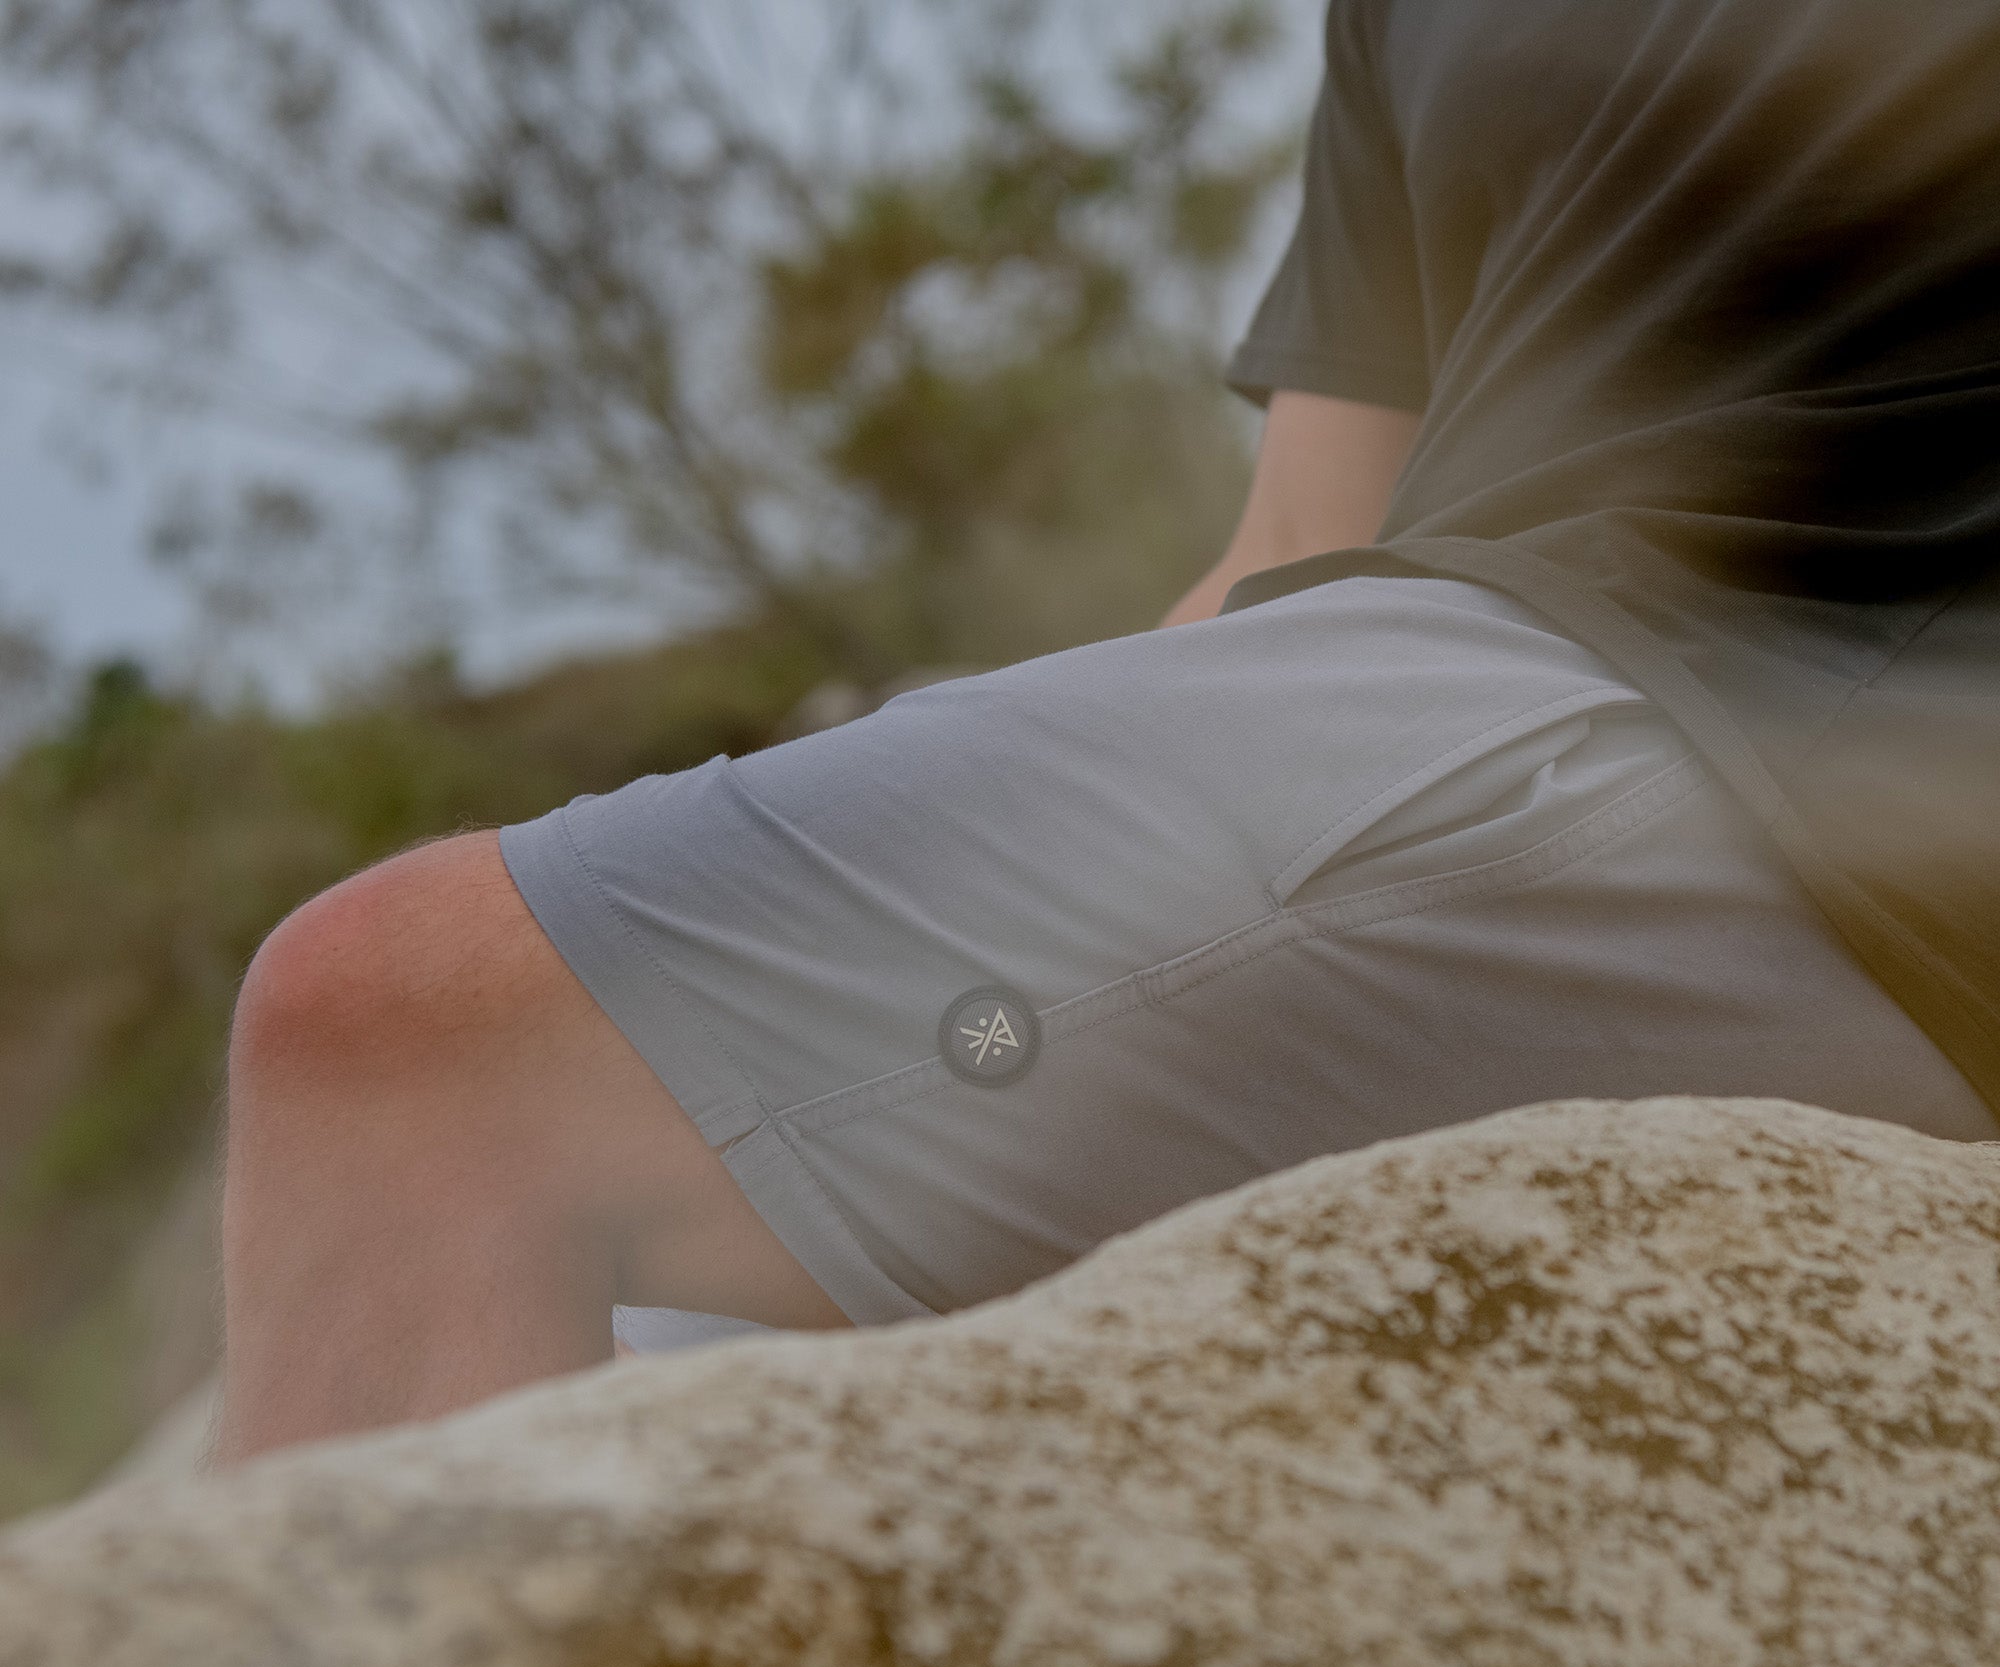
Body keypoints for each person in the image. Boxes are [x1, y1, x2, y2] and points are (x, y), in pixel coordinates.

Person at [214, 0, 2000, 1463]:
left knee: (409, 1048)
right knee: (675, 1361)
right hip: (1475, 709)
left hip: (1818, 758)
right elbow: (1293, 540)